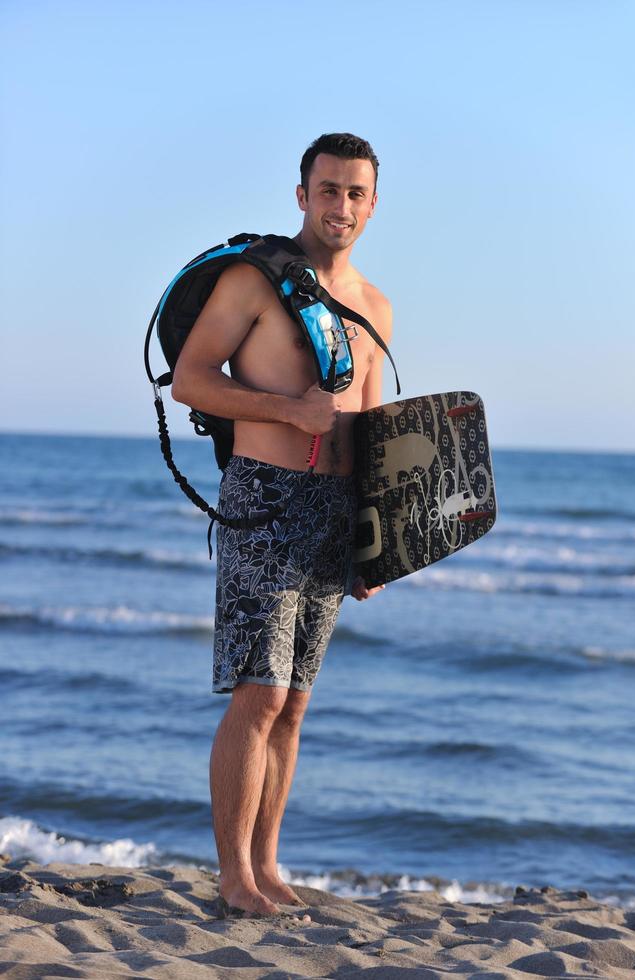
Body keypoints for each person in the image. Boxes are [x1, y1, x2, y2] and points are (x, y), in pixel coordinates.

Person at [171, 133, 392, 918]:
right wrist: (285, 410)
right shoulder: (255, 281)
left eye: (355, 193)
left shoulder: (375, 306)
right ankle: (233, 875)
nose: (341, 207)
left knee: (294, 703)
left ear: (372, 203)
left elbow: (370, 434)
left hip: (334, 514)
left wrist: (378, 542)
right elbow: (192, 381)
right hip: (264, 498)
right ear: (302, 196)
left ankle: (266, 864)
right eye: (327, 190)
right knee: (258, 693)